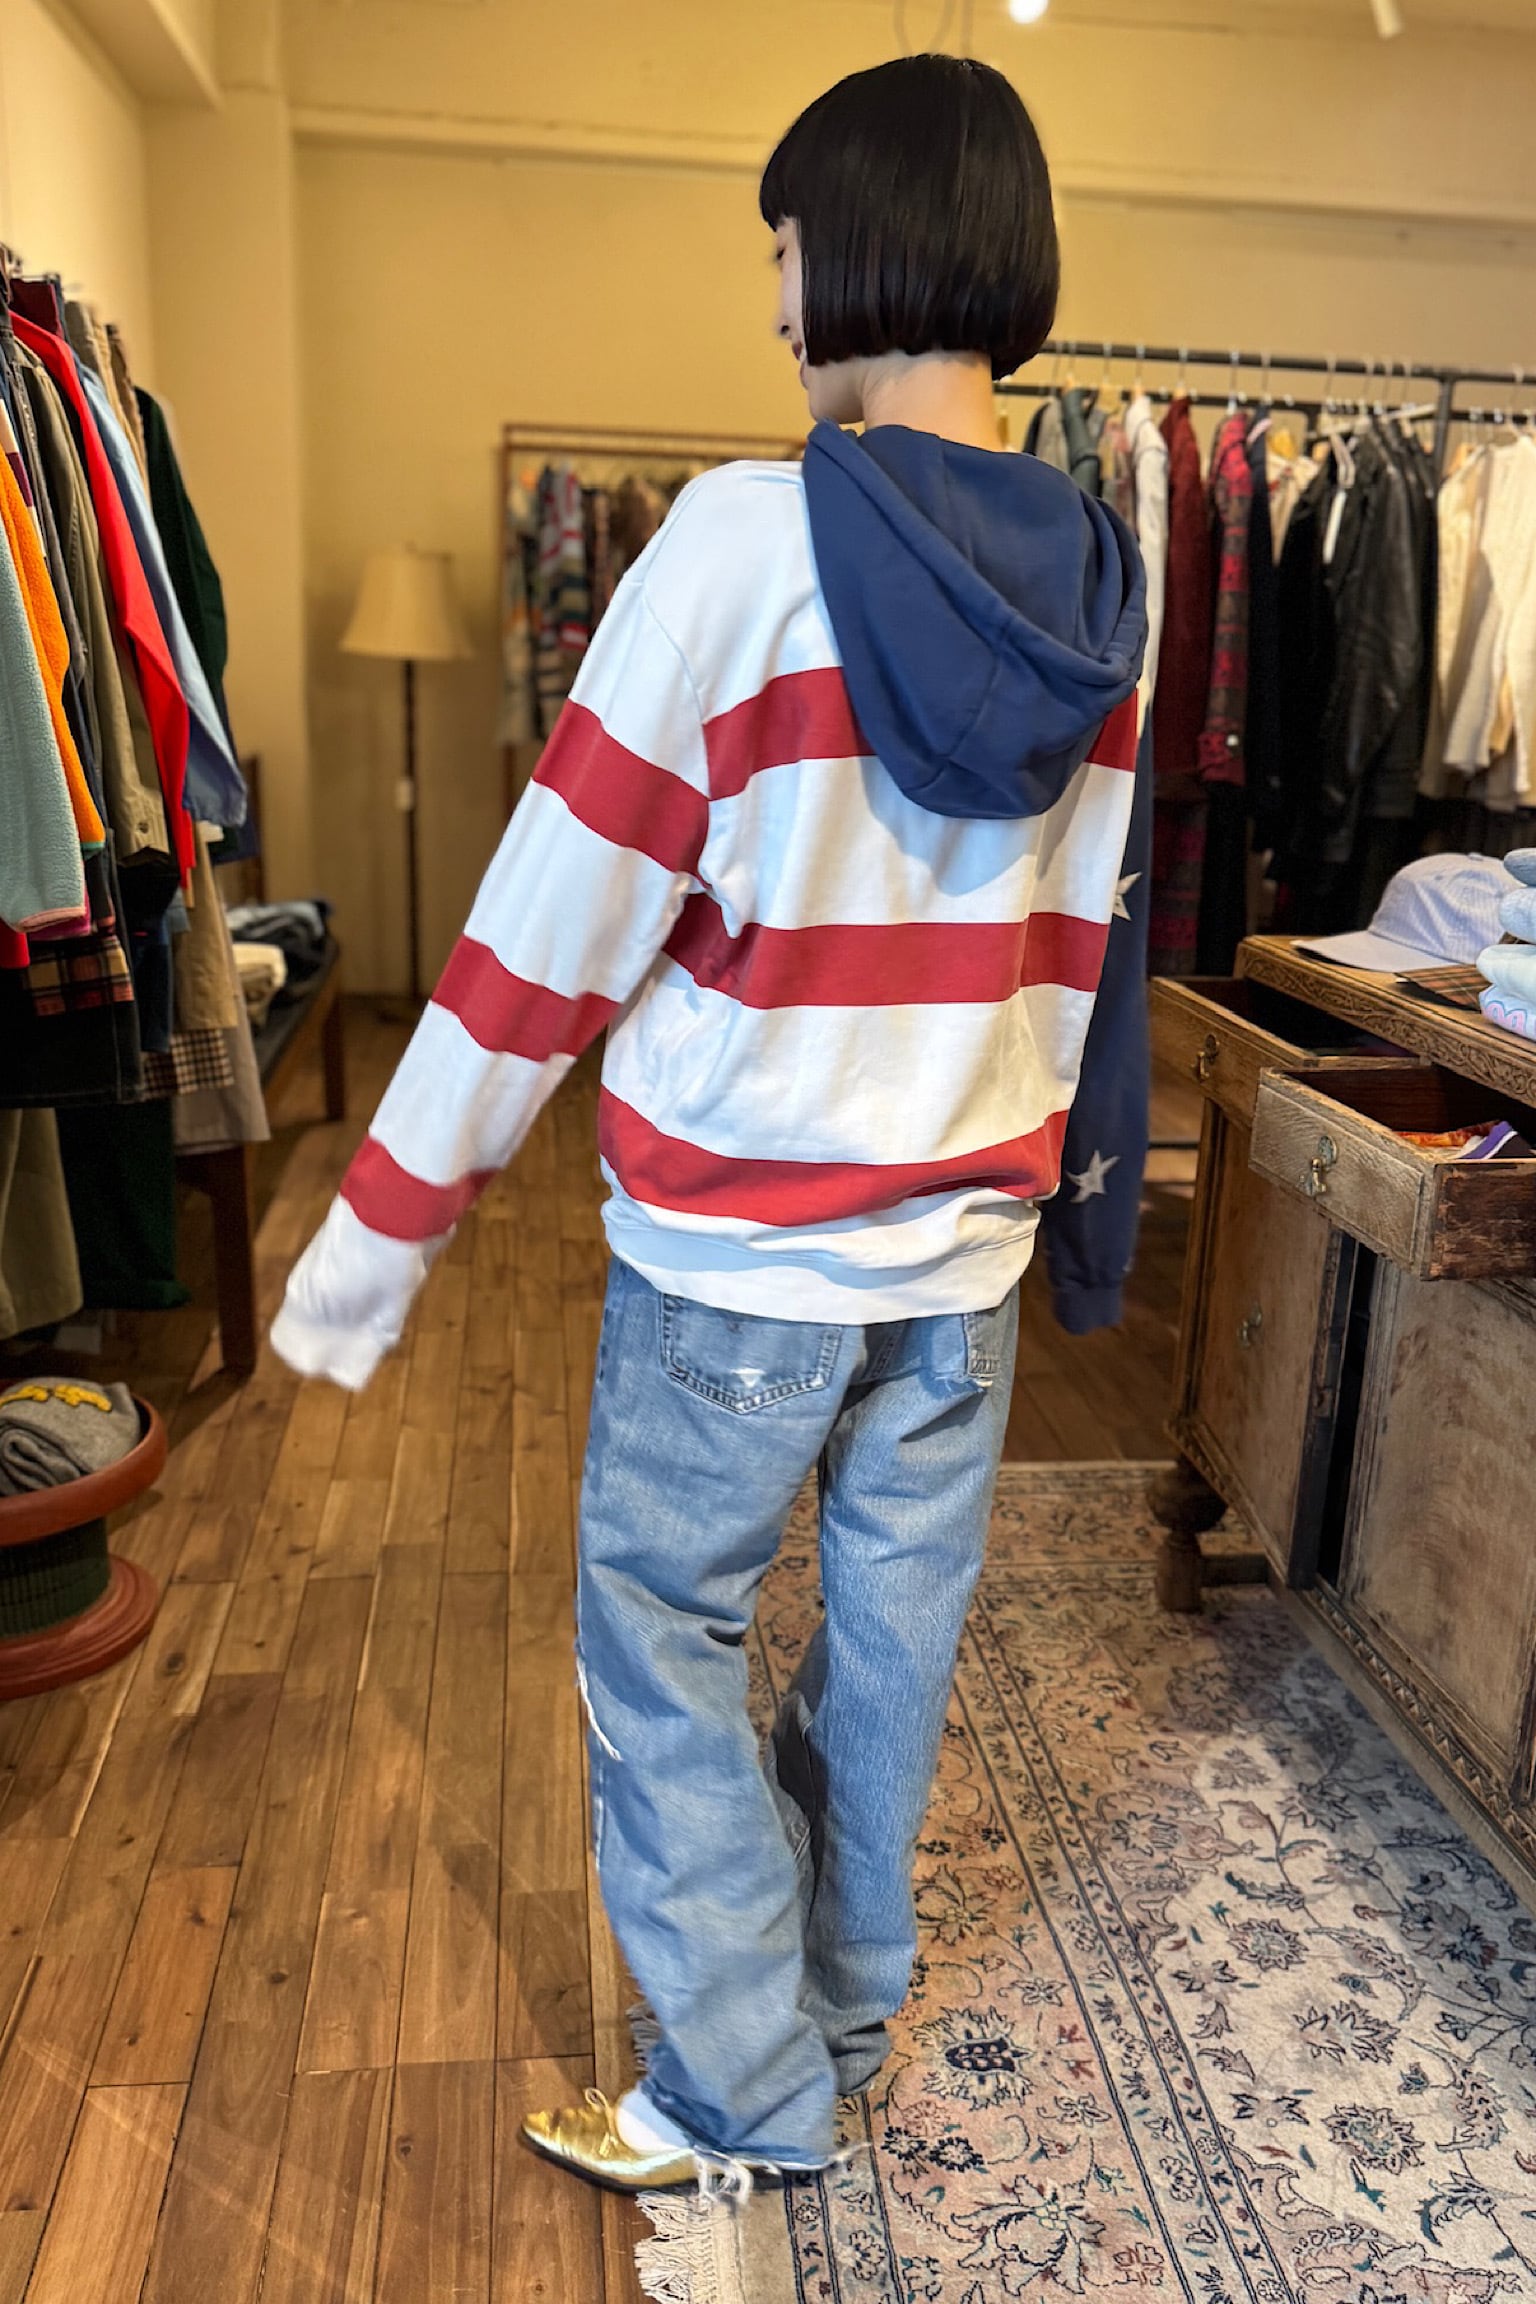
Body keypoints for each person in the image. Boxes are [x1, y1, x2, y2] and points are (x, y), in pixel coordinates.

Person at [271, 52, 1148, 2196]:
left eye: (784, 249)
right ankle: (835, 2014)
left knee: (659, 1645)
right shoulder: (1105, 581)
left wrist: (376, 1238)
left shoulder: (745, 547)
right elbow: (1084, 951)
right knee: (893, 1651)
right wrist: (1048, 1199)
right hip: (963, 1259)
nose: (771, 305)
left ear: (864, 247)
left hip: (743, 1257)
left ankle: (738, 2087)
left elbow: (548, 928)